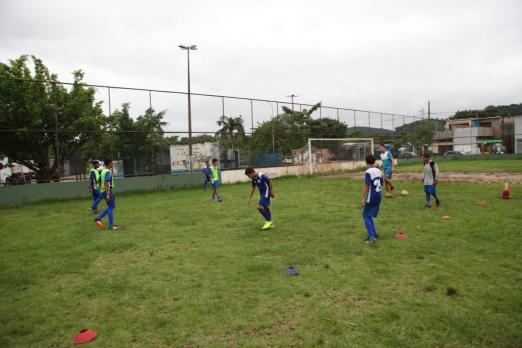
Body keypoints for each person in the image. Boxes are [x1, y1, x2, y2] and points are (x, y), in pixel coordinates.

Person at [360, 154, 384, 244]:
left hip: (371, 196)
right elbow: (382, 183)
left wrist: (362, 199)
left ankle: (371, 237)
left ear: (366, 162)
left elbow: (366, 187)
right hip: (379, 195)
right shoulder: (379, 171)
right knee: (369, 215)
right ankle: (374, 233)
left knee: (365, 215)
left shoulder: (368, 172)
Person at [94, 159, 119, 230]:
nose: (113, 164)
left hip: (104, 191)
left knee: (111, 206)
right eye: (112, 163)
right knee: (111, 207)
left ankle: (98, 218)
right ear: (109, 164)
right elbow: (106, 182)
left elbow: (99, 180)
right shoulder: (107, 172)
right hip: (107, 191)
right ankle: (110, 225)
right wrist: (108, 193)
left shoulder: (103, 171)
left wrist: (101, 188)